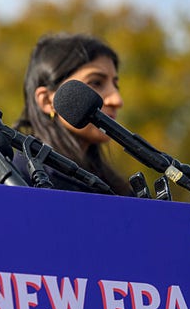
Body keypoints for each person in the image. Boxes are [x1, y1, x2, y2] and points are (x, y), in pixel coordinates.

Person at [13, 33, 133, 196]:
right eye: (96, 83)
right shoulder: (16, 181)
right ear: (48, 101)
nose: (117, 100)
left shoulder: (116, 188)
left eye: (115, 85)